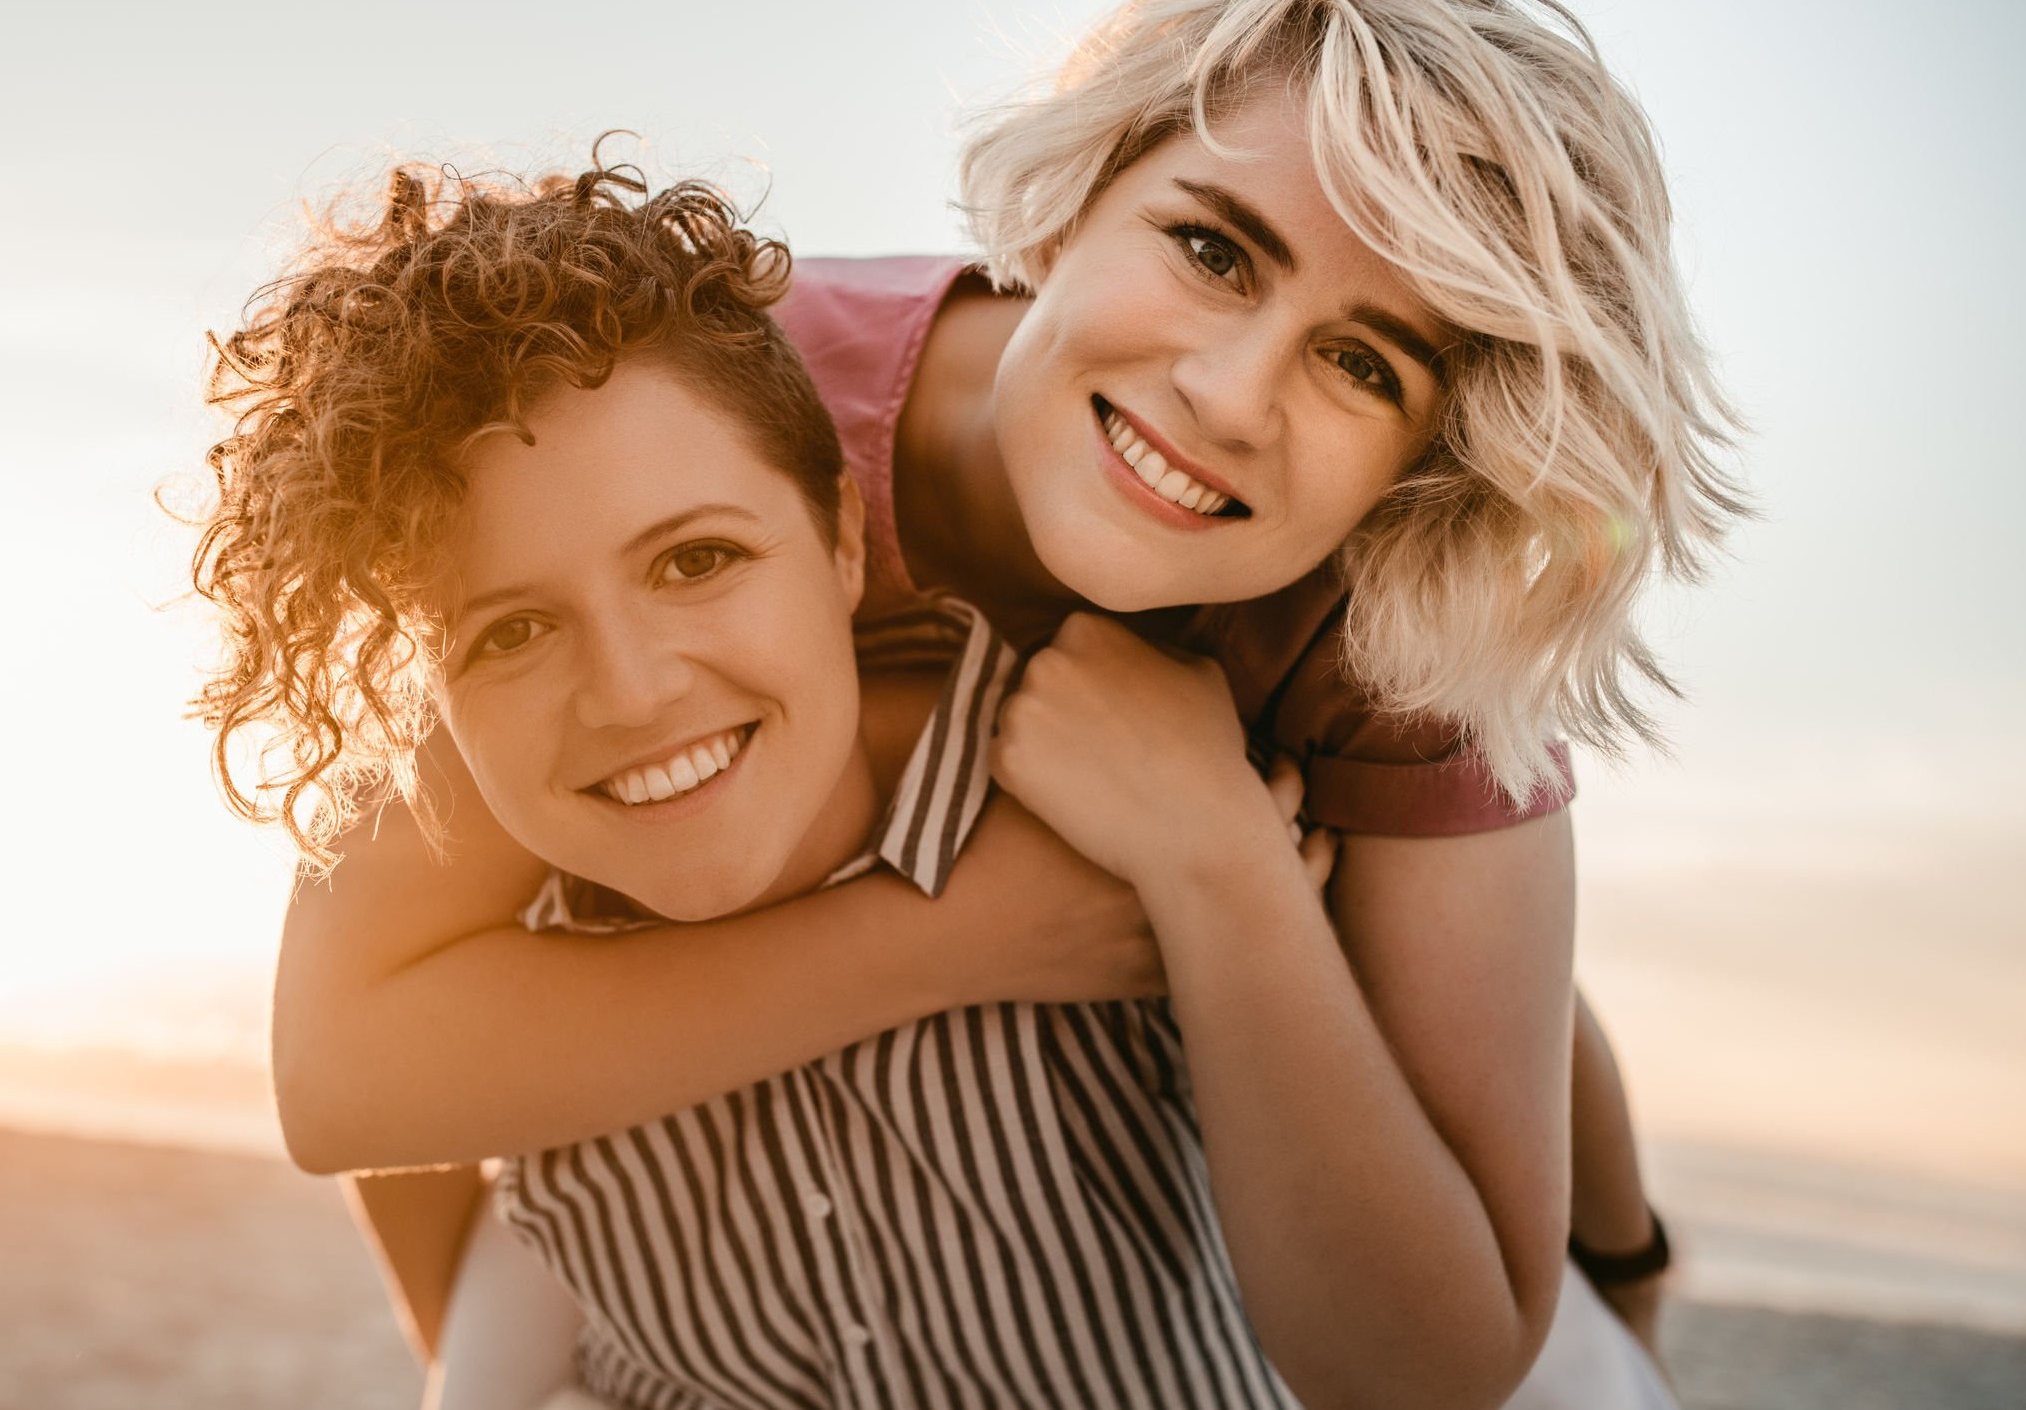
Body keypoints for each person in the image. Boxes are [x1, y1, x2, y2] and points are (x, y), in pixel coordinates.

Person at [196, 1, 1740, 1403]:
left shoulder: (1396, 608)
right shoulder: (689, 442)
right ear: (1076, 200)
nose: (1230, 395)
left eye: (1362, 361)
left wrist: (1215, 853)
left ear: (1428, 448)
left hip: (1365, 1093)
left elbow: (1457, 1286)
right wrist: (971, 930)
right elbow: (348, 1060)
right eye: (1213, 249)